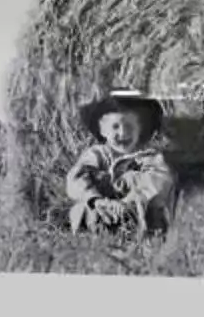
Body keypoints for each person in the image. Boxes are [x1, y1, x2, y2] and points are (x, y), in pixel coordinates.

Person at [63, 91, 174, 235]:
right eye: (115, 127)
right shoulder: (98, 154)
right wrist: (96, 200)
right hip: (102, 207)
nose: (122, 133)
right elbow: (77, 177)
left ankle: (142, 237)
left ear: (140, 129)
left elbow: (159, 181)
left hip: (137, 210)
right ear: (103, 130)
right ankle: (90, 238)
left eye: (129, 126)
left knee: (154, 212)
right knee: (81, 209)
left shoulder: (149, 156)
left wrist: (128, 202)